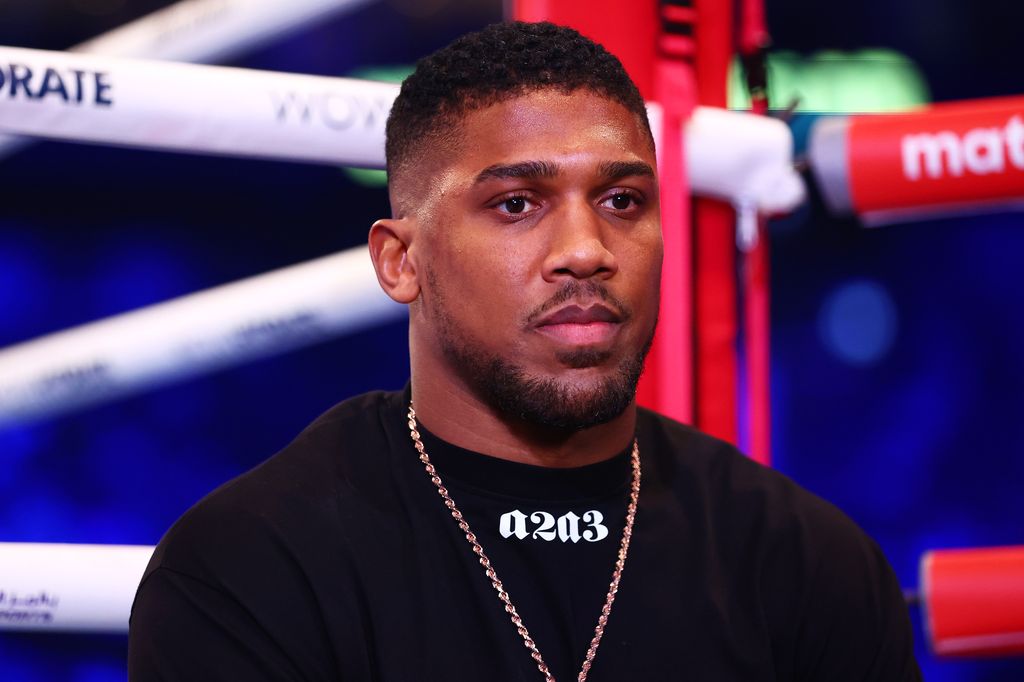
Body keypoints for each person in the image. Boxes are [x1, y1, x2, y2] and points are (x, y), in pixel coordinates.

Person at [128, 21, 921, 682]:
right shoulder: (251, 568)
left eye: (621, 201)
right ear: (401, 261)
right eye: (516, 203)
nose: (585, 250)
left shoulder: (810, 567)